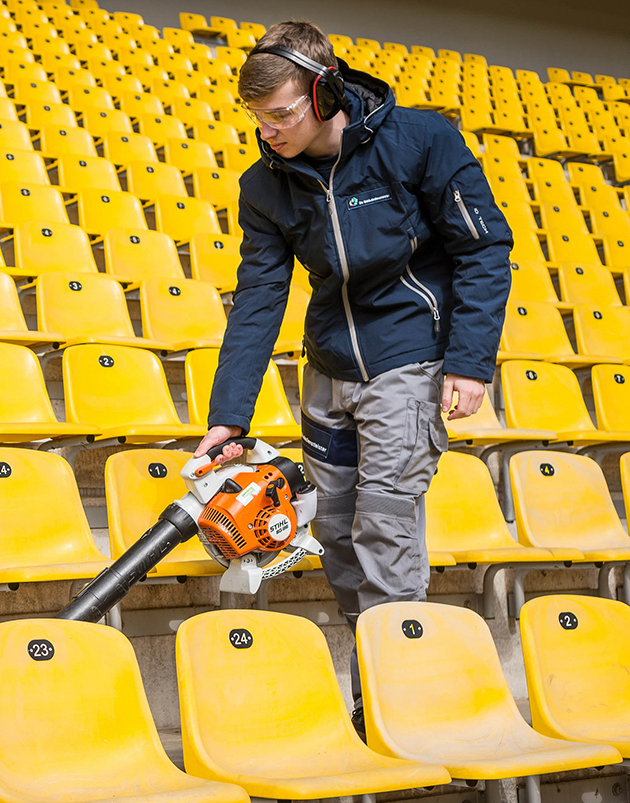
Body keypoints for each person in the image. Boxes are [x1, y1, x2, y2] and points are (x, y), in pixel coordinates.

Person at [194, 20, 512, 729]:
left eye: (281, 115)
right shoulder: (264, 186)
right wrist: (229, 417)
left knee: (385, 526)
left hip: (411, 359)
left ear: (326, 91)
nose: (268, 131)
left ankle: (404, 707)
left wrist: (468, 361)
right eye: (258, 119)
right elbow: (258, 299)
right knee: (336, 534)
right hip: (330, 369)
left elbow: (484, 251)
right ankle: (384, 679)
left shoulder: (423, 142)